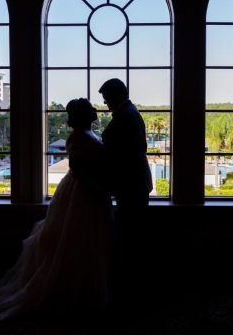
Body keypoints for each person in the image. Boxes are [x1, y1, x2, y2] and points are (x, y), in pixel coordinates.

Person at [0, 98, 114, 322]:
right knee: (76, 239)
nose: (96, 109)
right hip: (81, 193)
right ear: (84, 114)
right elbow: (78, 168)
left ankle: (87, 289)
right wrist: (94, 190)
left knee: (87, 240)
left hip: (87, 189)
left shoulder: (86, 133)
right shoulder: (78, 136)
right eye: (90, 108)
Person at [98, 78, 153, 308]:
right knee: (132, 233)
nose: (105, 102)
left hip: (130, 184)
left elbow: (120, 155)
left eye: (106, 98)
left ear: (115, 95)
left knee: (130, 235)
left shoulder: (125, 116)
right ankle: (134, 288)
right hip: (134, 182)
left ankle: (132, 291)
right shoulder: (130, 112)